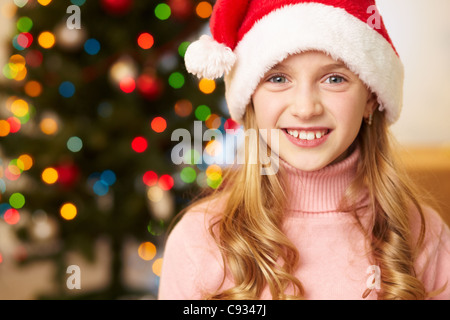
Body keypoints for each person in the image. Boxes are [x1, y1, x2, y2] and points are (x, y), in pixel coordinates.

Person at [158, 0, 450, 299]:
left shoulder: (426, 237)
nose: (306, 108)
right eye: (278, 78)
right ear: (250, 100)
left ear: (371, 98)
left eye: (334, 79)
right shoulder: (198, 241)